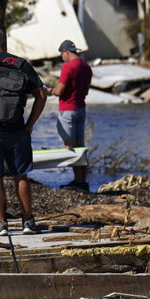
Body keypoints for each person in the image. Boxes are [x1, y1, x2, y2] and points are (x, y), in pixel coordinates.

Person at [0, 27, 47, 236]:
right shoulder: (21, 64)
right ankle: (28, 222)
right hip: (18, 128)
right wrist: (30, 124)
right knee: (20, 175)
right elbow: (41, 95)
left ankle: (0, 224)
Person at [52, 39, 92, 192]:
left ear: (66, 52)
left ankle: (77, 182)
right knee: (80, 147)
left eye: (61, 54)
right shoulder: (86, 67)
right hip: (81, 109)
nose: (61, 57)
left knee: (70, 147)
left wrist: (49, 90)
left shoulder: (68, 67)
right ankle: (82, 181)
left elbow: (59, 91)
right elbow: (86, 91)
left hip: (67, 110)